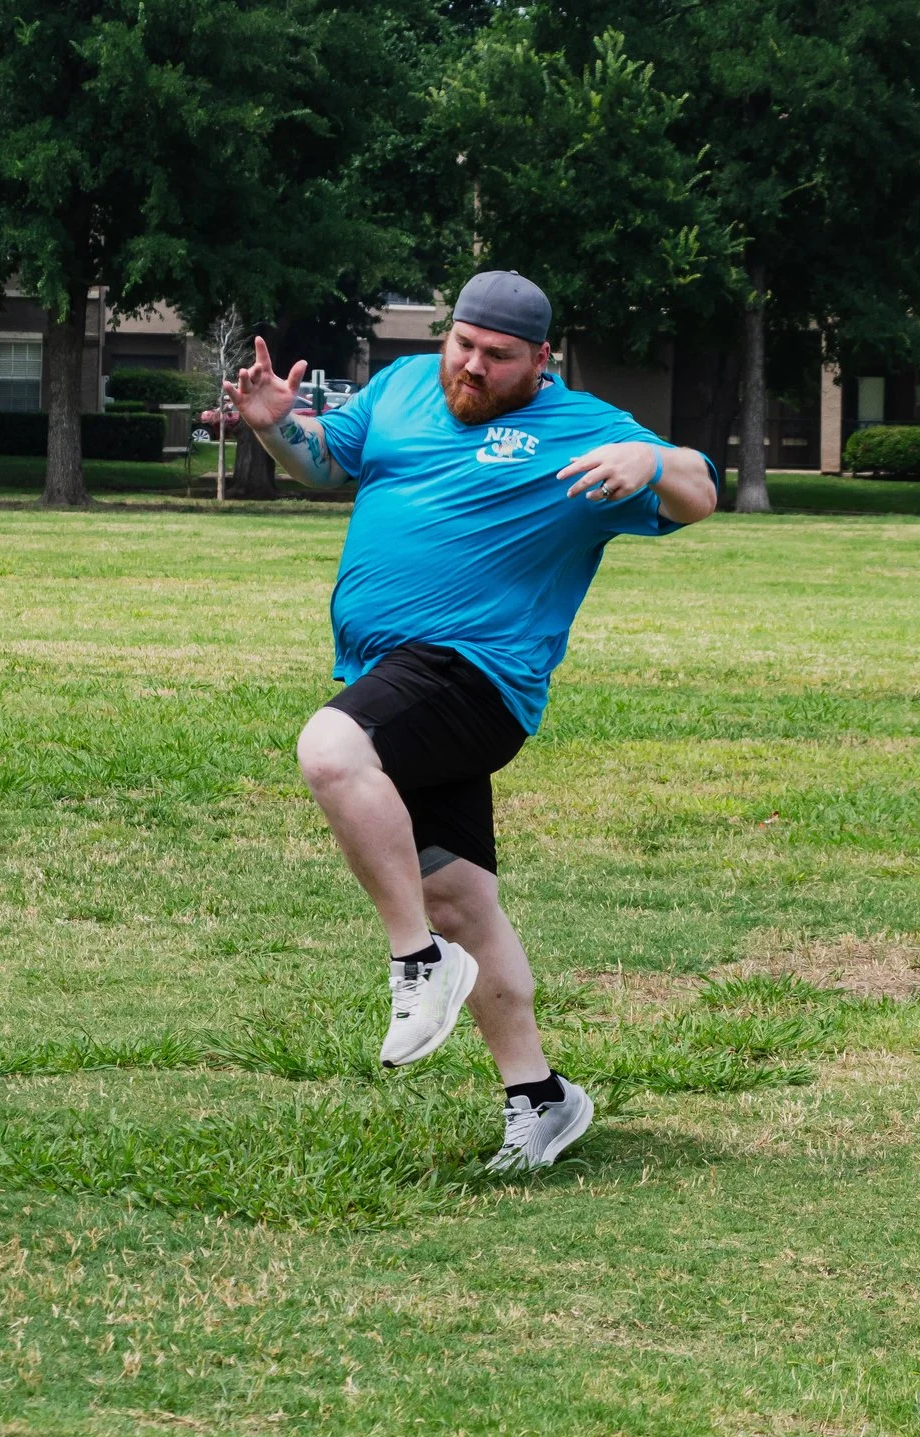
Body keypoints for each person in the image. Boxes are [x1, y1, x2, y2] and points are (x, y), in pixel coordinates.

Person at [222, 271, 717, 1171]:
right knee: (458, 898)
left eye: (498, 356)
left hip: (477, 677)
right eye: (464, 345)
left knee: (331, 750)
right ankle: (542, 1098)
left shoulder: (585, 428)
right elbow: (327, 463)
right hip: (388, 673)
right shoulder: (405, 387)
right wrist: (275, 426)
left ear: (540, 360)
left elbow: (699, 491)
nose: (473, 367)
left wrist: (654, 460)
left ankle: (416, 965)